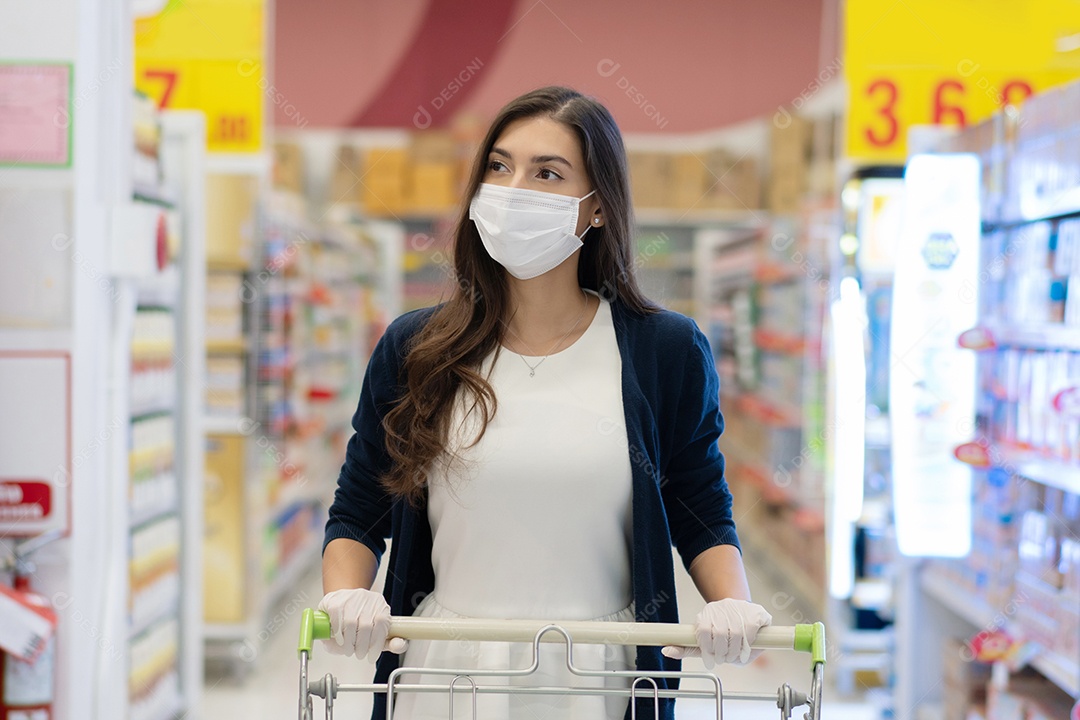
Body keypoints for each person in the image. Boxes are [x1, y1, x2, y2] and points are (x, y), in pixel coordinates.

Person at [319, 85, 773, 720]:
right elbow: (361, 504)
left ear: (597, 209)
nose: (513, 190)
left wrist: (731, 602)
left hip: (602, 671)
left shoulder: (662, 350)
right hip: (445, 668)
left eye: (547, 173)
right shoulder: (416, 348)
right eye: (499, 167)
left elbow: (697, 500)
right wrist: (348, 596)